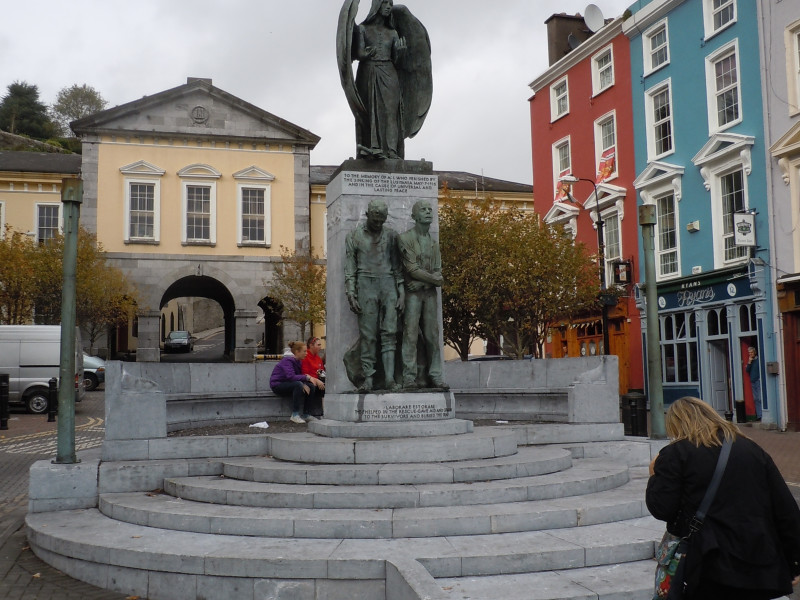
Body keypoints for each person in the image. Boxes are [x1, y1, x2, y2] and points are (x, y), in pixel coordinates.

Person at [646, 396, 800, 599]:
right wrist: (794, 561)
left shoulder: (676, 453)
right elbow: (785, 510)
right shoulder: (750, 449)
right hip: (759, 560)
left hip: (708, 563)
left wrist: (654, 476)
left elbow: (662, 508)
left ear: (677, 424)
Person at [337, 0, 432, 161]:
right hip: (368, 72)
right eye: (385, 3)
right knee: (368, 111)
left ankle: (392, 151)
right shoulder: (362, 29)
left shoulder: (393, 33)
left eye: (390, 3)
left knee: (391, 112)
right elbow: (358, 53)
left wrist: (400, 53)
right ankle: (370, 148)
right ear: (377, 6)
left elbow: (398, 61)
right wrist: (365, 54)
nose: (388, 6)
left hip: (389, 72)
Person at [344, 199, 404, 391]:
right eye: (375, 219)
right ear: (368, 215)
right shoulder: (354, 236)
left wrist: (401, 292)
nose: (378, 224)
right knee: (368, 335)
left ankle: (389, 379)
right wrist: (351, 291)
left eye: (382, 220)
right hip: (365, 284)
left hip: (388, 284)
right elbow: (350, 267)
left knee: (390, 334)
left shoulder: (392, 236)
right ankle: (368, 378)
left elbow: (397, 267)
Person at [398, 199, 445, 389]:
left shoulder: (434, 243)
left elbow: (438, 272)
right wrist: (431, 280)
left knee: (432, 336)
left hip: (427, 293)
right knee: (410, 335)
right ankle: (409, 376)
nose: (428, 212)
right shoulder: (405, 239)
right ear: (414, 216)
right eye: (423, 210)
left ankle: (435, 375)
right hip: (412, 295)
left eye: (429, 209)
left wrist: (421, 282)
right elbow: (412, 269)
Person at [269, 341, 324, 424]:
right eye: (304, 351)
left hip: (289, 383)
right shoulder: (287, 360)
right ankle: (295, 415)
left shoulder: (298, 361)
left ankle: (307, 414)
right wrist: (306, 378)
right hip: (278, 385)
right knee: (298, 385)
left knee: (311, 386)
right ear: (297, 352)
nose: (306, 353)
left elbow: (297, 376)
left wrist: (305, 382)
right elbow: (290, 376)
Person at [301, 336, 325, 417]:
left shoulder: (318, 358)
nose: (320, 347)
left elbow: (321, 372)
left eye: (320, 345)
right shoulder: (305, 357)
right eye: (318, 345)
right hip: (307, 380)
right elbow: (304, 373)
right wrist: (316, 380)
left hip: (317, 381)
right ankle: (306, 413)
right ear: (311, 345)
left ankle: (325, 411)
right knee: (311, 386)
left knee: (328, 385)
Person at [746, 345, 762, 421]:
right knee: (755, 399)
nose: (750, 354)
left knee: (759, 398)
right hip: (753, 381)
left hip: (758, 380)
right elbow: (747, 370)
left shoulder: (758, 360)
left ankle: (762, 414)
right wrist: (749, 362)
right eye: (749, 353)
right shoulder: (750, 361)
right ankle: (759, 415)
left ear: (754, 352)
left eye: (751, 352)